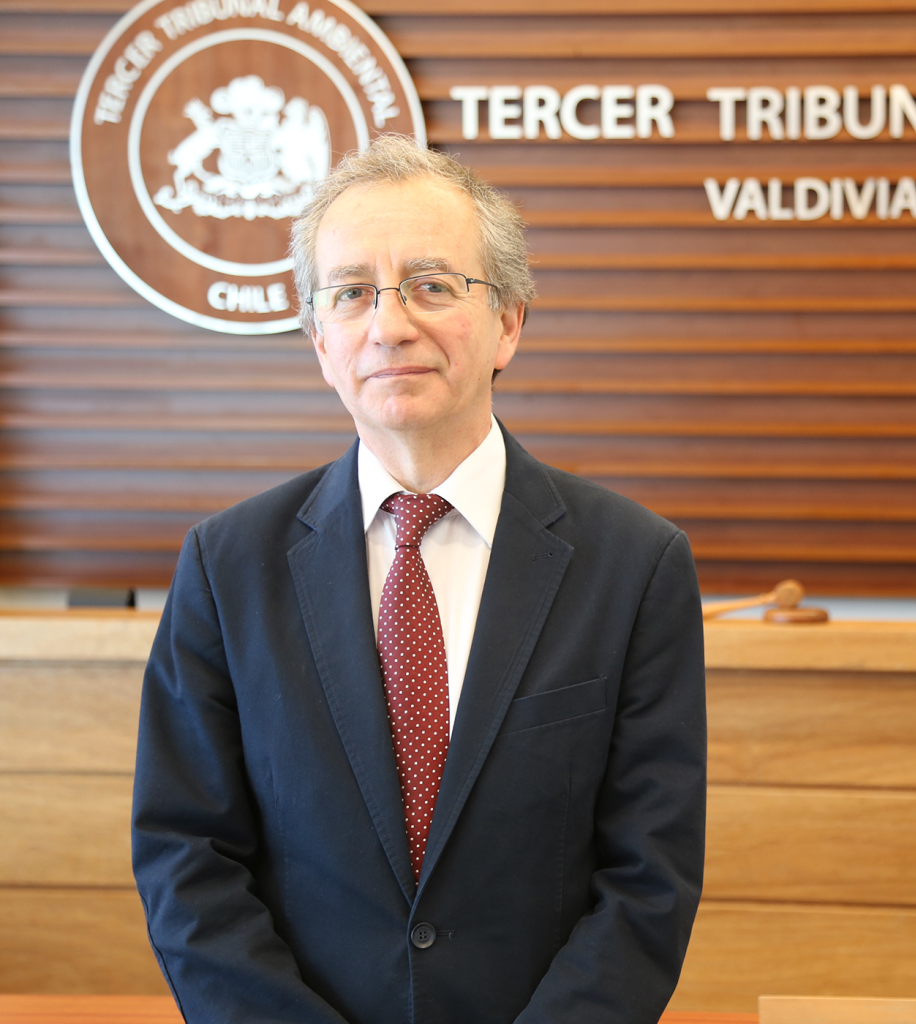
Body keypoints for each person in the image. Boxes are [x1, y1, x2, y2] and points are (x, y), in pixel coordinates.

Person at [132, 135, 706, 1024]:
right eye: (351, 292)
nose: (389, 325)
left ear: (508, 322)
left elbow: (649, 878)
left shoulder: (636, 565)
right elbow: (186, 856)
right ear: (319, 339)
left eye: (432, 285)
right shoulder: (225, 565)